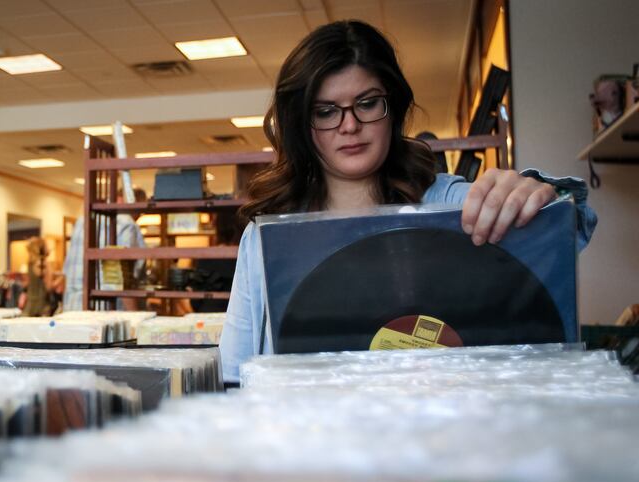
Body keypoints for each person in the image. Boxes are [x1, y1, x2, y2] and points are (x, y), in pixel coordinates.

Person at [218, 20, 597, 384]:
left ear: (393, 108)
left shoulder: (447, 203)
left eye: (367, 103)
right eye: (326, 111)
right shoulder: (266, 239)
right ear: (303, 123)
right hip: (314, 442)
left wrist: (534, 194)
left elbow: (569, 223)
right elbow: (233, 374)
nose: (349, 125)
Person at [63, 187, 147, 311]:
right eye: (140, 212)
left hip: (72, 308)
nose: (138, 217)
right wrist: (136, 318)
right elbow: (122, 278)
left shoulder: (82, 221)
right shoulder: (127, 224)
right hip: (105, 313)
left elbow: (67, 272)